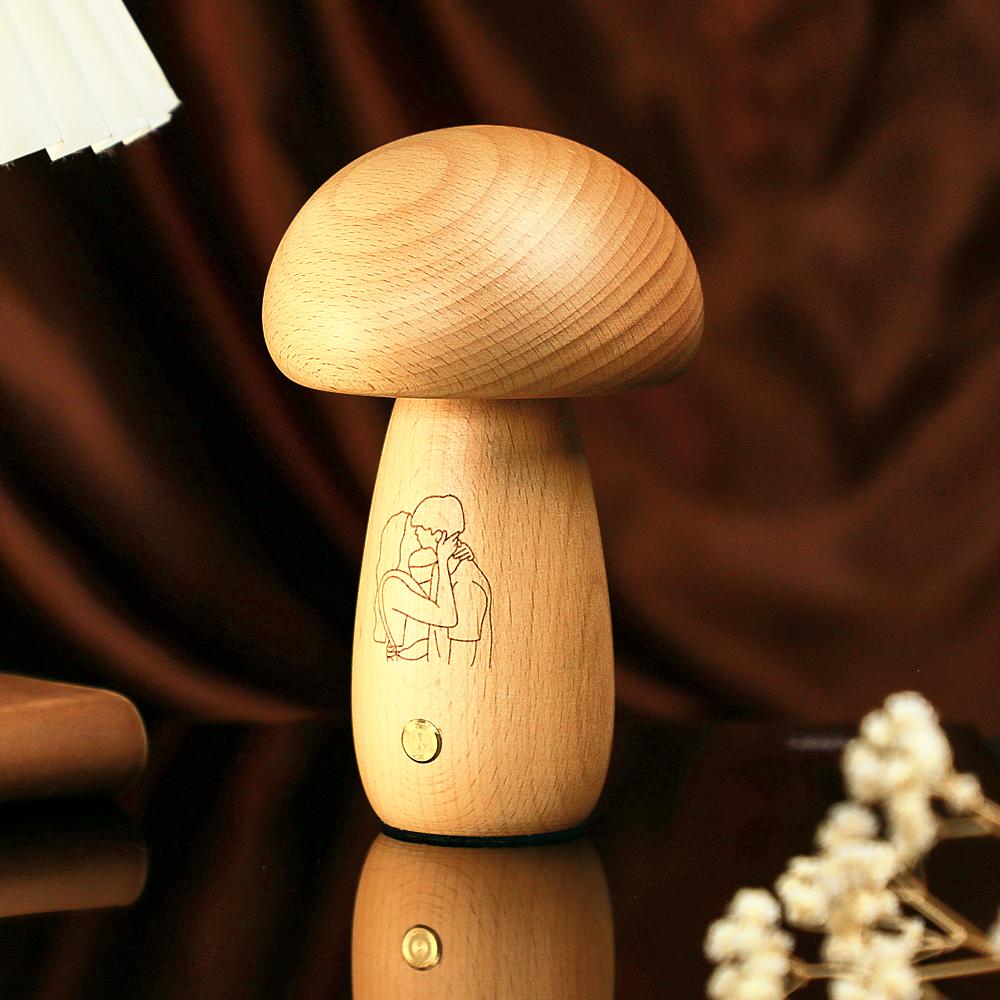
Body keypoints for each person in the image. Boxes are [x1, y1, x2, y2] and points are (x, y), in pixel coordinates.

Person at [372, 509, 470, 660]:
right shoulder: (394, 585)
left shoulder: (412, 580)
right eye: (415, 531)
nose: (419, 534)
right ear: (400, 544)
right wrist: (443, 560)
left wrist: (458, 557)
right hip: (407, 669)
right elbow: (446, 617)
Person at [409, 496, 492, 669]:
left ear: (439, 535)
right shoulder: (442, 570)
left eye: (421, 528)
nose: (416, 533)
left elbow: (464, 661)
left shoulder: (466, 585)